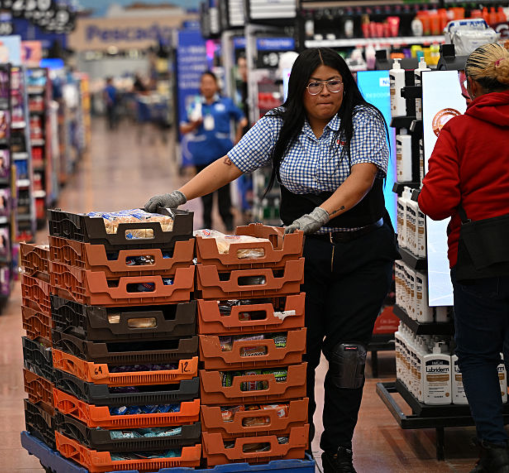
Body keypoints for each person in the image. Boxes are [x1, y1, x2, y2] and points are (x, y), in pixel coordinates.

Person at [146, 48, 397, 472]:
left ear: (346, 83)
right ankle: (297, 442)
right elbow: (231, 164)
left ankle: (338, 449)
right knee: (296, 354)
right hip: (302, 257)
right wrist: (179, 195)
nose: (324, 92)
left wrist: (319, 215)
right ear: (298, 86)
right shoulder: (279, 125)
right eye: (314, 83)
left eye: (333, 82)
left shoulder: (364, 120)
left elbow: (363, 177)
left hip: (362, 253)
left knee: (348, 354)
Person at [419, 43, 509, 473]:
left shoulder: (458, 133)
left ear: (468, 83)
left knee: (478, 357)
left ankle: (496, 450)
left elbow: (435, 204)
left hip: (478, 261)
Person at [181, 71, 248, 232]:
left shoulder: (226, 103)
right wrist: (194, 125)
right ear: (200, 86)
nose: (207, 86)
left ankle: (228, 220)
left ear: (216, 85)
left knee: (224, 192)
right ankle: (206, 224)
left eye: (210, 83)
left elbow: (242, 120)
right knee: (205, 192)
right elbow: (183, 127)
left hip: (224, 156)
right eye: (204, 83)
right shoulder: (195, 105)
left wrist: (238, 141)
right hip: (202, 155)